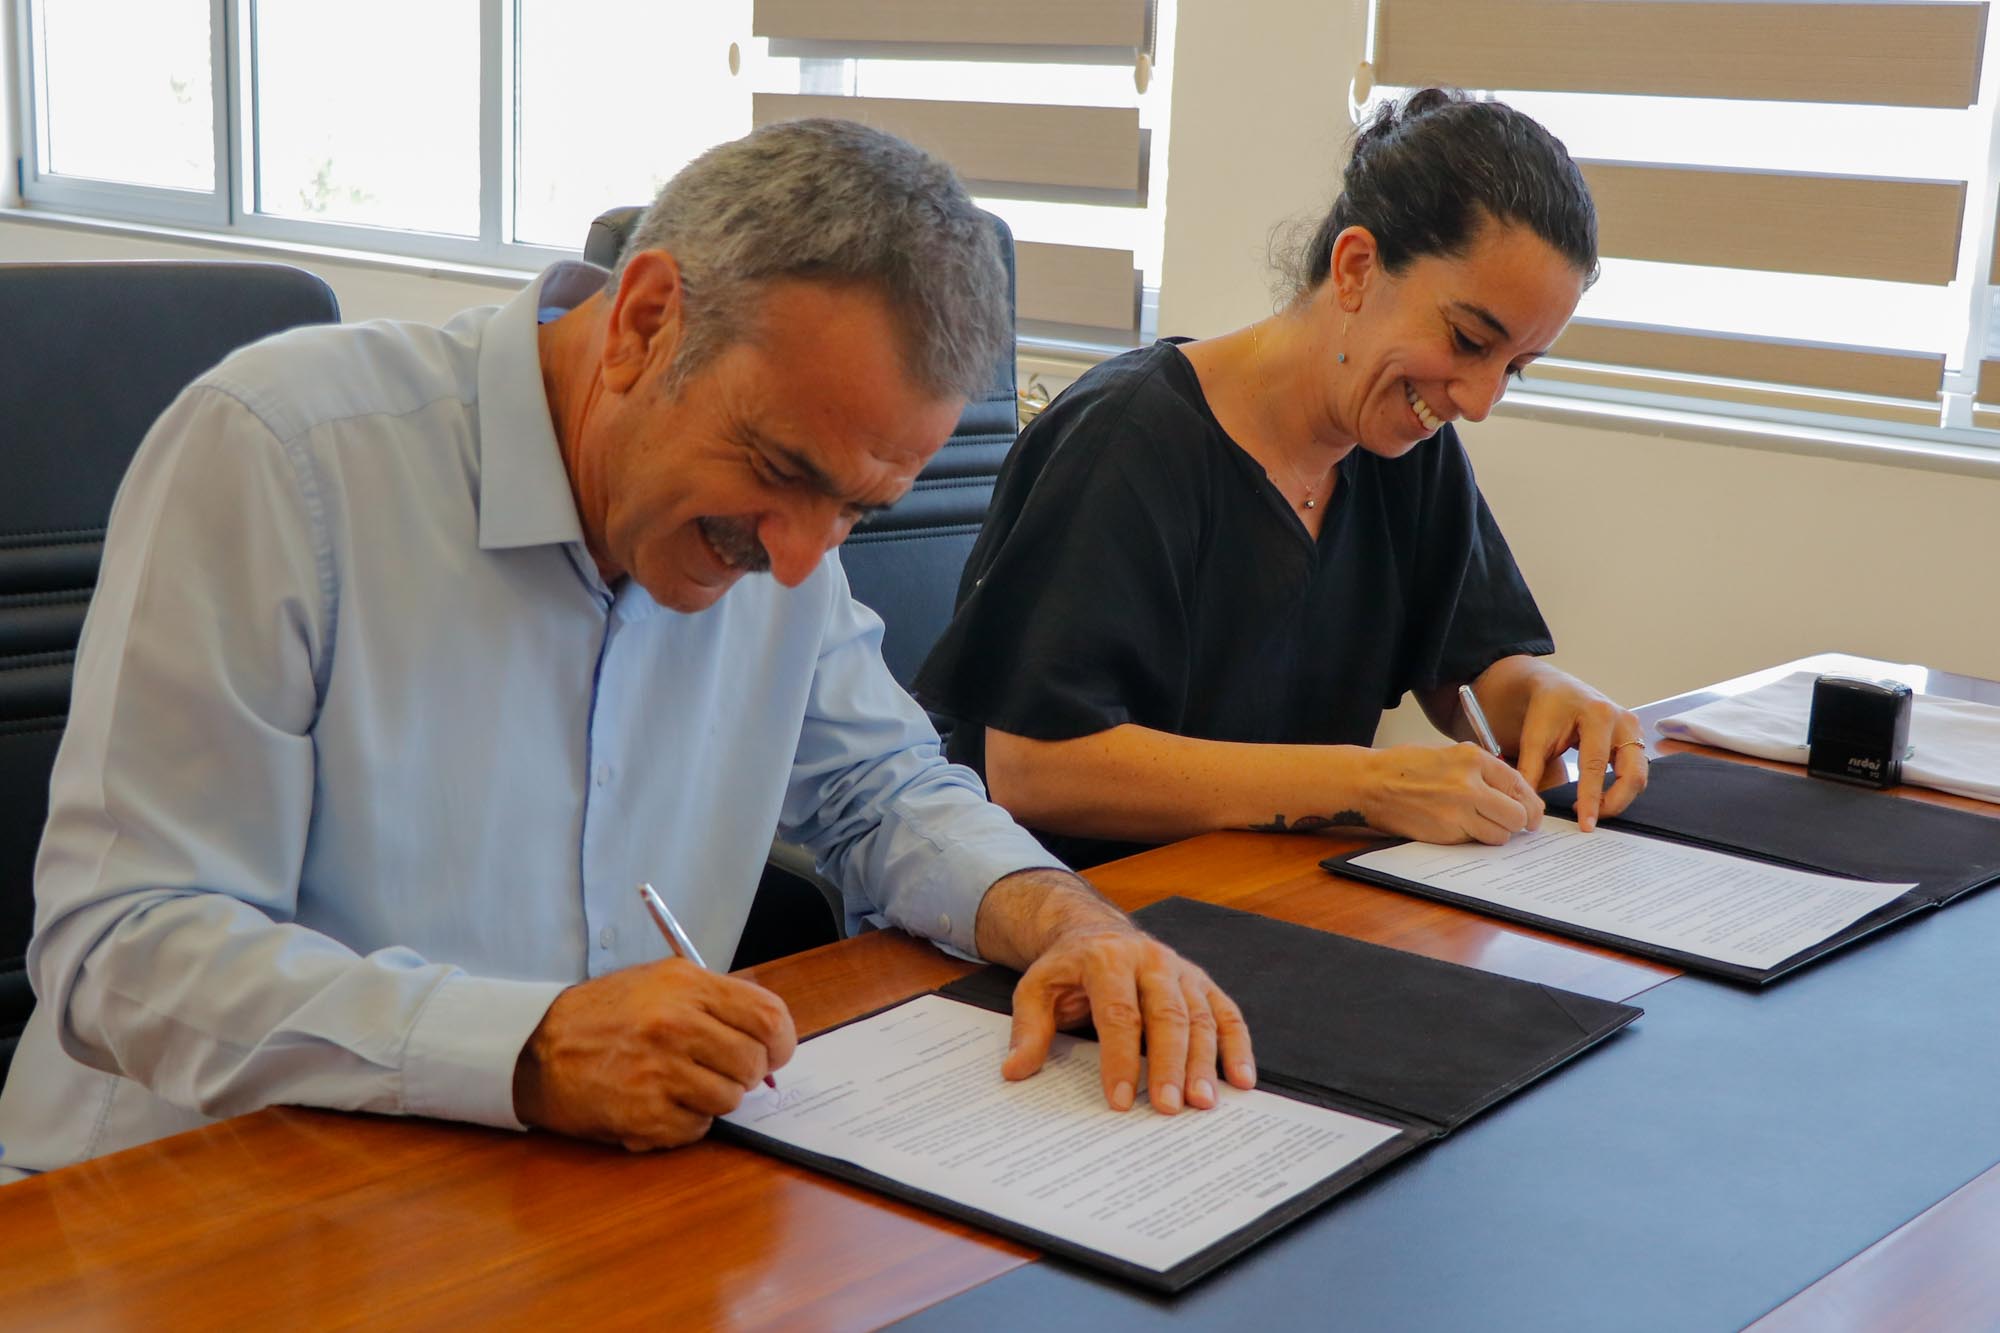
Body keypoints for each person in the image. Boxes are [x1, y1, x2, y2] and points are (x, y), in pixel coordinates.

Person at [0, 120, 1256, 1184]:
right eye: (781, 472)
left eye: (856, 509)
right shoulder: (285, 456)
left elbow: (882, 791)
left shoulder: (781, 530)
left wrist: (1065, 919)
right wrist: (528, 1047)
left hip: (547, 1188)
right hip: (189, 1196)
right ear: (646, 320)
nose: (801, 559)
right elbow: (125, 948)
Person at [914, 90, 1649, 870]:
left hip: (1274, 897)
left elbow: (1468, 666)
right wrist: (1363, 785)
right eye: (1469, 340)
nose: (1478, 400)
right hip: (1087, 906)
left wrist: (1542, 695)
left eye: (1515, 368)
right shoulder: (1128, 439)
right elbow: (1032, 766)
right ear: (1356, 267)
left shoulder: (1405, 447)